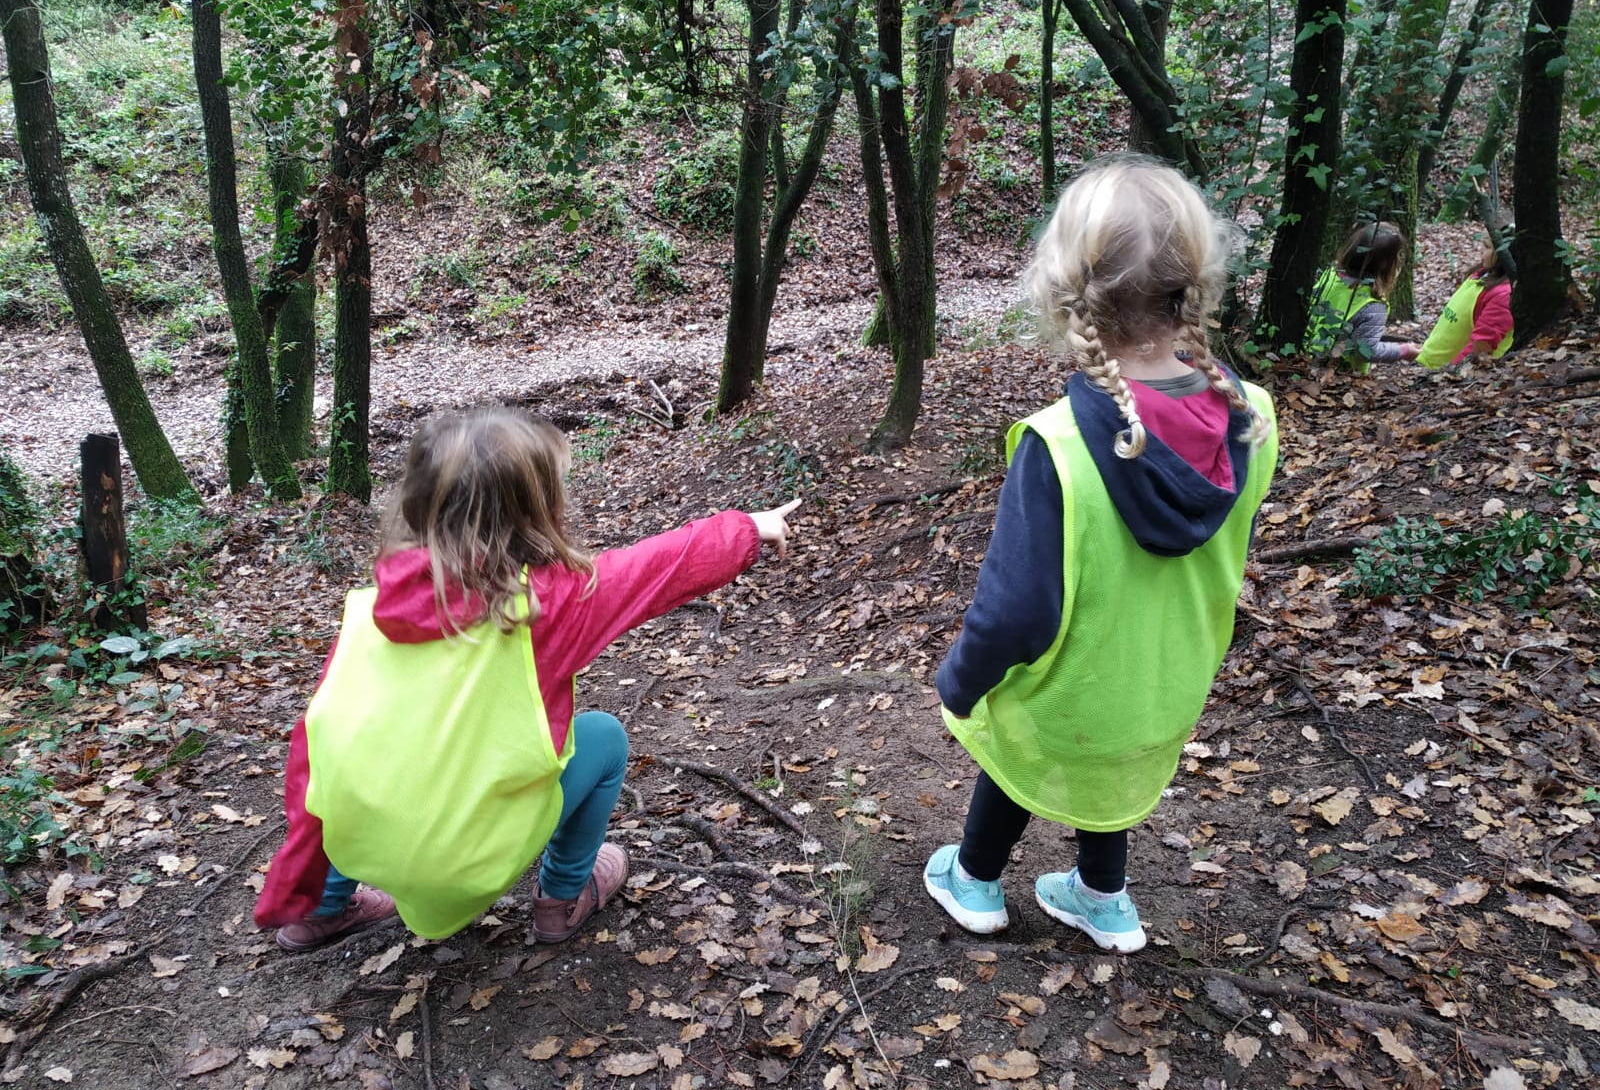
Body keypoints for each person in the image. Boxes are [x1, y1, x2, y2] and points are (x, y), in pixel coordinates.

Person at [254, 408, 800, 950]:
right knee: (605, 738)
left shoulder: (368, 612)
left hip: (360, 840)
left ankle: (321, 910)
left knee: (365, 754)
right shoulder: (545, 606)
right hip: (466, 861)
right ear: (537, 508)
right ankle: (563, 896)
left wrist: (296, 878)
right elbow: (655, 568)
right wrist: (749, 527)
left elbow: (324, 745)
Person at [922, 155, 1278, 954]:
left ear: (1067, 290)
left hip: (1072, 690)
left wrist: (962, 682)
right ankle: (1102, 896)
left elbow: (1016, 612)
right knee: (1108, 765)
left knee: (1018, 734)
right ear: (1194, 282)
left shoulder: (1057, 445)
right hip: (1166, 687)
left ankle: (974, 879)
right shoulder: (1252, 415)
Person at [1304, 221, 1421, 370]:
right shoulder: (1373, 306)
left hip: (1304, 359)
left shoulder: (1330, 275)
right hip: (1339, 373)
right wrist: (1403, 351)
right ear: (1389, 266)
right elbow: (1366, 351)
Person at [1416, 226, 1514, 367]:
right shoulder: (1481, 274)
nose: (1480, 249)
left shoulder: (1504, 295)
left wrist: (1452, 372)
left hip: (1447, 372)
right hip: (1429, 364)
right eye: (1482, 244)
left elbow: (1482, 344)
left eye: (1487, 247)